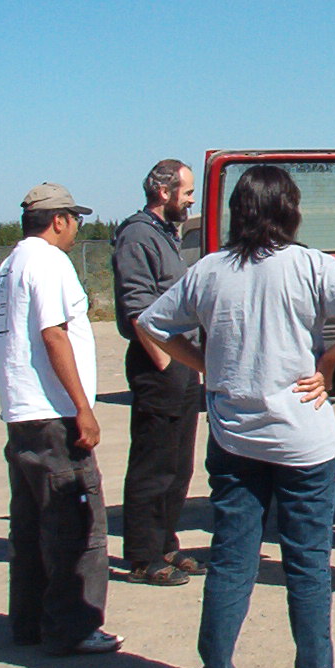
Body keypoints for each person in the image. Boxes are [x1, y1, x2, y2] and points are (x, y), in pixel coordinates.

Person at [136, 165, 335, 668]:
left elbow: (151, 324)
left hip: (235, 439)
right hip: (304, 439)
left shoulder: (208, 271)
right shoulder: (308, 265)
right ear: (289, 210)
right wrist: (328, 360)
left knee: (231, 562)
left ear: (239, 211)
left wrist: (203, 364)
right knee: (306, 565)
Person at [0, 183, 120, 657]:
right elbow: (53, 334)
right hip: (54, 414)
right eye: (75, 220)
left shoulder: (10, 264)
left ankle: (28, 621)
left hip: (21, 413)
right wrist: (82, 407)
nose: (75, 229)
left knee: (29, 527)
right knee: (77, 525)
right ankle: (73, 626)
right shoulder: (48, 262)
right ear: (59, 220)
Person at [111, 159, 203, 587]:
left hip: (182, 363)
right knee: (153, 463)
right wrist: (165, 361)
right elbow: (136, 308)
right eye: (186, 191)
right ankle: (144, 556)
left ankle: (166, 542)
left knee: (179, 463)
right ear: (164, 193)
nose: (191, 199)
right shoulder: (136, 235)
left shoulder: (167, 235)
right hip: (158, 366)